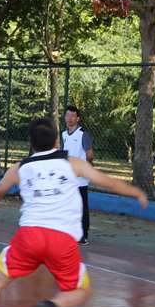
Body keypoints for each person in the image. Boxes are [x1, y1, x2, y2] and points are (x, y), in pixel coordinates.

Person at [0, 117, 147, 307]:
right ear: (56, 141)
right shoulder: (72, 163)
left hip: (29, 237)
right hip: (62, 240)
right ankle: (52, 306)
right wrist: (136, 193)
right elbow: (108, 182)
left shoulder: (20, 168)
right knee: (82, 290)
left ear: (31, 143)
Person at [61, 105, 94, 245]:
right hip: (67, 178)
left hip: (80, 179)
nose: (70, 118)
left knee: (81, 206)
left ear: (78, 118)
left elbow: (90, 155)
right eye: (67, 115)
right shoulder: (64, 134)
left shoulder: (83, 134)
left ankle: (83, 235)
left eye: (73, 116)